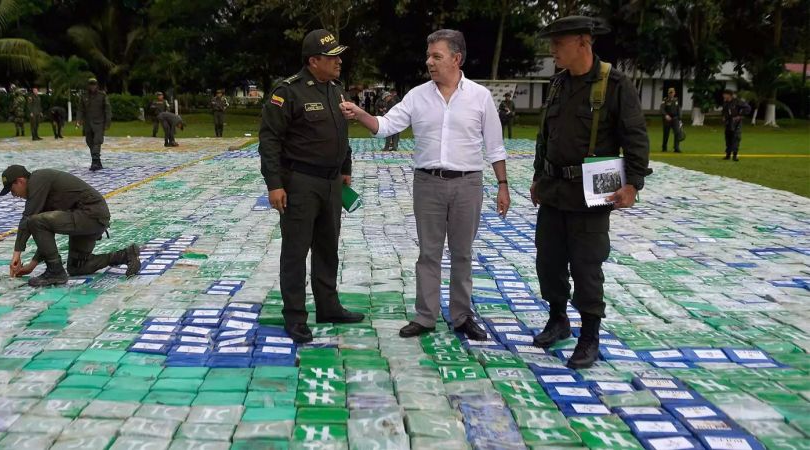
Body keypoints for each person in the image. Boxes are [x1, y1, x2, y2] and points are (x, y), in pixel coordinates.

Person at [341, 29, 510, 342]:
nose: (429, 62)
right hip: (428, 184)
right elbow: (386, 126)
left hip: (467, 184)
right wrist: (361, 113)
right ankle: (426, 316)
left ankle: (461, 316)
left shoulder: (480, 97)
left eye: (437, 56)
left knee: (462, 254)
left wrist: (503, 184)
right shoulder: (417, 96)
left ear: (456, 59)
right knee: (429, 254)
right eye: (428, 56)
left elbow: (495, 146)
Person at [529, 16, 650, 369]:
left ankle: (589, 336)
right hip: (553, 190)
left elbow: (636, 136)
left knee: (586, 267)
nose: (553, 50)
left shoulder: (614, 84)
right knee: (548, 262)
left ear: (584, 42)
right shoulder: (557, 84)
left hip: (591, 194)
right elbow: (544, 137)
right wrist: (538, 177)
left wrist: (633, 183)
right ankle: (558, 320)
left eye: (559, 43)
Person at [259, 29, 365, 343]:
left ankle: (328, 306)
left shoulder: (335, 89)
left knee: (327, 247)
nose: (339, 61)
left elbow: (341, 132)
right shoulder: (288, 92)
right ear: (313, 60)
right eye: (332, 57)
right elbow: (270, 140)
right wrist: (274, 184)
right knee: (295, 252)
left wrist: (345, 167)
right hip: (300, 183)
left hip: (332, 183)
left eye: (338, 55)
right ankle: (294, 316)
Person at [1, 165, 142, 287]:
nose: (14, 195)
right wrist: (32, 265)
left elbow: (29, 220)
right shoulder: (41, 193)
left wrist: (16, 254)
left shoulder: (38, 178)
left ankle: (55, 271)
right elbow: (44, 236)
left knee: (35, 221)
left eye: (12, 191)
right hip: (90, 218)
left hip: (89, 214)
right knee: (77, 267)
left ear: (20, 181)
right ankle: (125, 255)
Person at [76, 78, 112, 171]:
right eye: (90, 85)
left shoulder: (102, 95)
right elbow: (80, 109)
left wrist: (108, 122)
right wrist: (78, 120)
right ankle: (97, 161)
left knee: (97, 141)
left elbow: (107, 109)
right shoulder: (84, 96)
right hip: (88, 123)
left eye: (94, 84)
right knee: (89, 142)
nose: (92, 87)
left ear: (97, 85)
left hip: (99, 122)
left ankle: (95, 161)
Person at [722, 89, 751, 161]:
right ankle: (728, 155)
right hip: (728, 122)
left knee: (736, 138)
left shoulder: (737, 101)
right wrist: (724, 117)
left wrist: (740, 116)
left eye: (725, 94)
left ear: (729, 95)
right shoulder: (725, 102)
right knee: (728, 138)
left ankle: (735, 155)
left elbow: (748, 108)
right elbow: (725, 111)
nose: (724, 96)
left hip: (736, 123)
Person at [661, 87, 681, 153]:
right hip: (667, 119)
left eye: (672, 92)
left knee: (677, 132)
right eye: (670, 93)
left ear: (674, 93)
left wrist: (680, 119)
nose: (671, 94)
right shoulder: (665, 100)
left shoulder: (676, 100)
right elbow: (662, 109)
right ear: (668, 93)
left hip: (675, 119)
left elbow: (678, 109)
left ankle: (676, 148)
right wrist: (665, 115)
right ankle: (664, 147)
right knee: (666, 134)